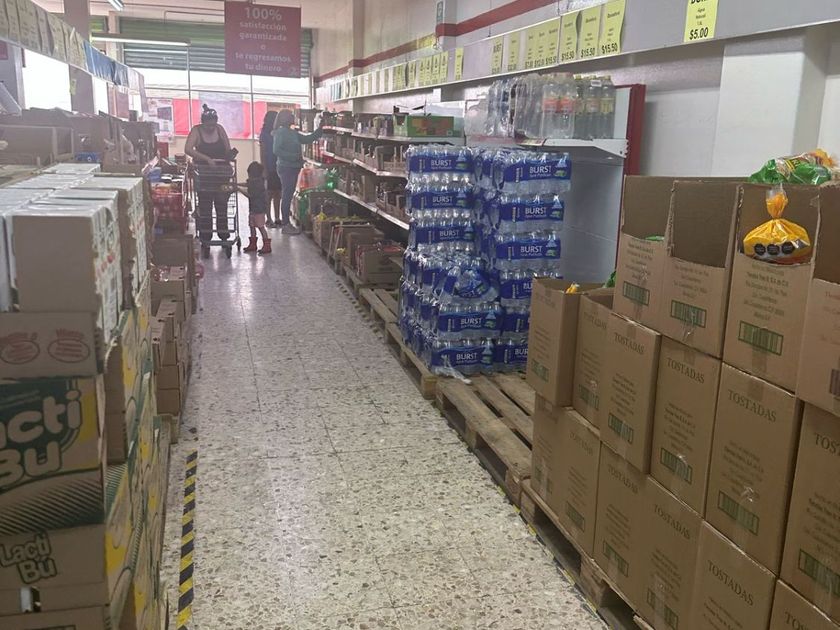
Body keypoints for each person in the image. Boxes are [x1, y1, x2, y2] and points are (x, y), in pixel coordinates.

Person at [185, 105, 235, 257]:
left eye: (213, 124)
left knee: (222, 205)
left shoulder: (220, 130)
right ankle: (206, 237)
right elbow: (188, 149)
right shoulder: (196, 131)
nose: (211, 128)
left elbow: (227, 148)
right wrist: (207, 159)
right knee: (205, 206)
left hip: (222, 174)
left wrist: (229, 156)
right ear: (203, 123)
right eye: (208, 125)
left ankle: (224, 235)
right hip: (204, 175)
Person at [273, 109, 322, 235]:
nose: (293, 118)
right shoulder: (280, 133)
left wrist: (319, 130)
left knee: (288, 194)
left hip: (293, 167)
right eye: (290, 116)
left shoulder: (292, 132)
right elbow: (276, 150)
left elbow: (306, 139)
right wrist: (293, 157)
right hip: (286, 167)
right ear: (284, 118)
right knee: (287, 195)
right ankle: (285, 224)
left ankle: (286, 223)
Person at [238, 161, 271, 255]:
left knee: (261, 227)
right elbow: (247, 184)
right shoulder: (254, 181)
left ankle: (267, 245)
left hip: (259, 210)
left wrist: (238, 189)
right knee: (251, 226)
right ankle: (253, 244)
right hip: (253, 209)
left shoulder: (258, 184)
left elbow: (250, 195)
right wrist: (237, 184)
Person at [259, 111, 283, 227]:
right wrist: (264, 168)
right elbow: (262, 152)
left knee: (278, 193)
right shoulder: (264, 134)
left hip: (279, 165)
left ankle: (277, 217)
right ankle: (268, 218)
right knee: (269, 194)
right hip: (269, 166)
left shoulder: (279, 132)